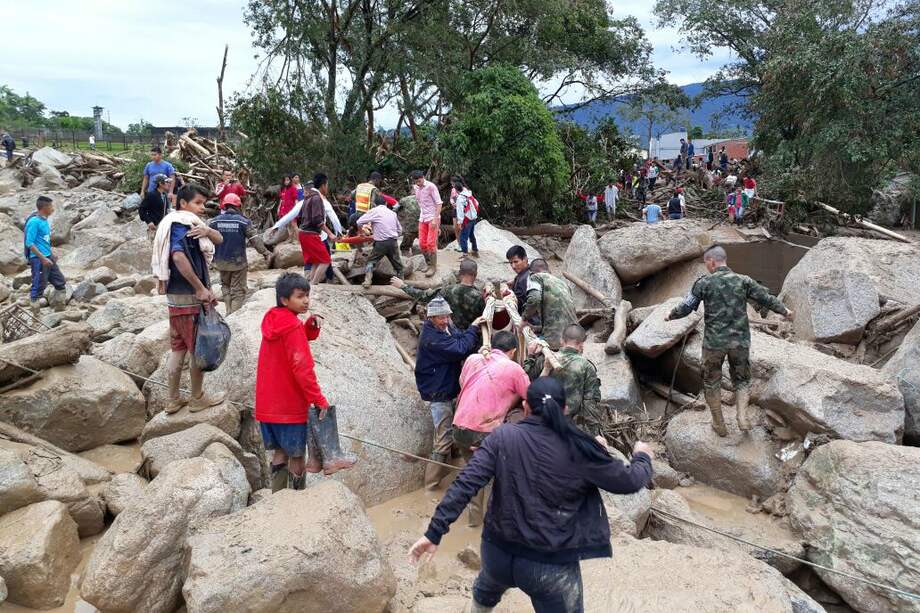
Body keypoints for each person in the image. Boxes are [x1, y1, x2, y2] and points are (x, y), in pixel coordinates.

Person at [409, 376, 654, 613]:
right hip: (549, 566)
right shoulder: (580, 447)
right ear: (565, 408)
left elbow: (464, 485)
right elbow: (630, 481)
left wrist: (434, 533)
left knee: (487, 586)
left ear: (525, 407)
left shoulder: (502, 436)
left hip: (497, 554)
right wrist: (642, 456)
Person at [667, 245, 793, 436]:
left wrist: (671, 315)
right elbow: (766, 298)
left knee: (711, 381)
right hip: (740, 342)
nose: (706, 266)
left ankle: (719, 424)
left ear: (711, 261)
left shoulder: (704, 283)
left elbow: (687, 306)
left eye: (706, 263)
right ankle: (742, 417)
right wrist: (785, 311)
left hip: (713, 343)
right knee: (742, 380)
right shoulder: (744, 281)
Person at [255, 273, 356, 491]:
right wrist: (319, 400)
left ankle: (277, 498)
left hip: (268, 405)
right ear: (285, 300)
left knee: (280, 453)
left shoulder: (273, 318)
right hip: (289, 405)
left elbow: (292, 342)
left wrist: (309, 327)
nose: (306, 301)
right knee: (297, 455)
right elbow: (302, 368)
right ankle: (298, 499)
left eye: (307, 295)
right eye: (300, 296)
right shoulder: (291, 326)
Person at [150, 183, 226, 415]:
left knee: (178, 349)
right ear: (183, 204)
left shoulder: (188, 225)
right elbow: (179, 257)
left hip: (175, 298)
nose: (202, 208)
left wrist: (208, 231)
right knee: (197, 349)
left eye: (204, 203)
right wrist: (201, 288)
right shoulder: (182, 227)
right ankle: (197, 398)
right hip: (190, 298)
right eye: (198, 203)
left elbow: (219, 239)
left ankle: (172, 400)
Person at [453, 330, 531, 527]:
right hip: (483, 431)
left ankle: (473, 521)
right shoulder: (514, 369)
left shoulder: (472, 359)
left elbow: (464, 383)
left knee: (474, 473)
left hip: (460, 426)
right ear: (513, 351)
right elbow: (531, 400)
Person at [415, 296, 483, 490]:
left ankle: (449, 470)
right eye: (440, 318)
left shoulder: (446, 327)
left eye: (447, 316)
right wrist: (474, 329)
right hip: (439, 392)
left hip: (447, 386)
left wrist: (470, 328)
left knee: (452, 429)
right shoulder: (431, 338)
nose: (445, 320)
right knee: (443, 437)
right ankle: (430, 487)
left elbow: (460, 336)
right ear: (431, 318)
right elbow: (461, 348)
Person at [524, 324, 604, 438]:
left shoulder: (546, 359)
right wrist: (595, 434)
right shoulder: (586, 366)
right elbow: (589, 403)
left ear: (562, 341)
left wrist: (531, 356)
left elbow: (526, 380)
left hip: (541, 421)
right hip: (569, 425)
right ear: (581, 344)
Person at [208, 193, 271, 314]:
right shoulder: (243, 222)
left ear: (225, 206)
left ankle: (228, 310)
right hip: (238, 262)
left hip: (220, 261)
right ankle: (233, 315)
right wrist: (265, 253)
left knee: (225, 286)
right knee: (238, 290)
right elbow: (255, 240)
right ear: (238, 206)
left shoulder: (213, 222)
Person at [392, 259, 485, 331]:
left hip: (450, 331)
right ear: (475, 274)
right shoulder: (479, 297)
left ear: (460, 274)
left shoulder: (449, 290)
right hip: (470, 335)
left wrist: (403, 286)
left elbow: (424, 296)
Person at [522, 259, 578, 351]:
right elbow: (561, 316)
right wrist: (536, 328)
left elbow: (534, 299)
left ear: (531, 272)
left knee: (535, 353)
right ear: (549, 270)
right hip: (575, 337)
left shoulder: (535, 277)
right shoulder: (563, 284)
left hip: (555, 342)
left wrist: (524, 319)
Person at [25, 195, 67, 315]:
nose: (53, 209)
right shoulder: (34, 222)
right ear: (45, 207)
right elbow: (29, 243)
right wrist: (43, 258)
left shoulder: (44, 220)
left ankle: (60, 310)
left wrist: (51, 255)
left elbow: (44, 241)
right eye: (51, 206)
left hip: (48, 257)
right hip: (38, 260)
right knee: (38, 286)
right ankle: (36, 315)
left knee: (60, 281)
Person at [297, 173, 336, 284]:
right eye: (327, 185)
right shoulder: (316, 198)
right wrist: (330, 234)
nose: (327, 188)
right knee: (326, 260)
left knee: (315, 260)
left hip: (303, 233)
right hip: (310, 234)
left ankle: (310, 282)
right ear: (323, 185)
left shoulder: (308, 197)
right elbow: (318, 221)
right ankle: (313, 286)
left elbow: (301, 216)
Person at [356, 200, 404, 288]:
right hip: (393, 242)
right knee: (398, 266)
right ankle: (402, 284)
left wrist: (361, 233)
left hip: (381, 243)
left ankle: (367, 281)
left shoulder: (374, 211)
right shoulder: (392, 213)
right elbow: (400, 230)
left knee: (371, 262)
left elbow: (359, 222)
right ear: (386, 203)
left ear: (374, 204)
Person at [412, 170, 443, 278]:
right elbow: (420, 203)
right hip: (422, 217)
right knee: (421, 243)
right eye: (416, 182)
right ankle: (428, 264)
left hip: (432, 217)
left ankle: (433, 267)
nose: (418, 183)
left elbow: (439, 203)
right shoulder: (415, 187)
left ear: (423, 177)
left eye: (419, 181)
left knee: (431, 243)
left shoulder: (431, 186)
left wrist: (435, 220)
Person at [452, 177, 480, 255]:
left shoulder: (460, 198)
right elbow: (477, 203)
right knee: (471, 235)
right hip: (473, 218)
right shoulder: (469, 194)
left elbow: (460, 212)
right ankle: (475, 249)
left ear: (456, 190)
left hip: (466, 220)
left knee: (463, 237)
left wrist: (459, 222)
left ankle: (465, 253)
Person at [139, 173, 171, 239]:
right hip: (154, 226)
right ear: (160, 183)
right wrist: (149, 221)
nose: (169, 184)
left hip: (163, 226)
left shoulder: (165, 195)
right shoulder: (151, 195)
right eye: (167, 182)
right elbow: (142, 210)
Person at [506, 245, 531, 315]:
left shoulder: (523, 280)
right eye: (511, 263)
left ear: (525, 259)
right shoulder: (531, 270)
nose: (513, 266)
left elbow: (517, 305)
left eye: (516, 262)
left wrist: (508, 293)